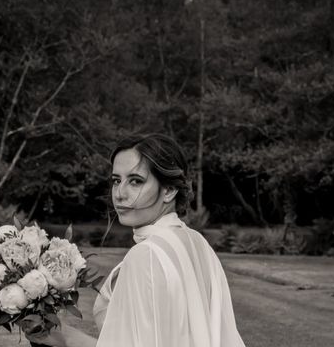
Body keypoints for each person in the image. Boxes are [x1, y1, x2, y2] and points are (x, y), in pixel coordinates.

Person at [56, 133, 246, 347]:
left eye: (136, 181)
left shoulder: (146, 254)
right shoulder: (198, 242)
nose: (119, 193)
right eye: (116, 180)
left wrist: (65, 337)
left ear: (169, 190)